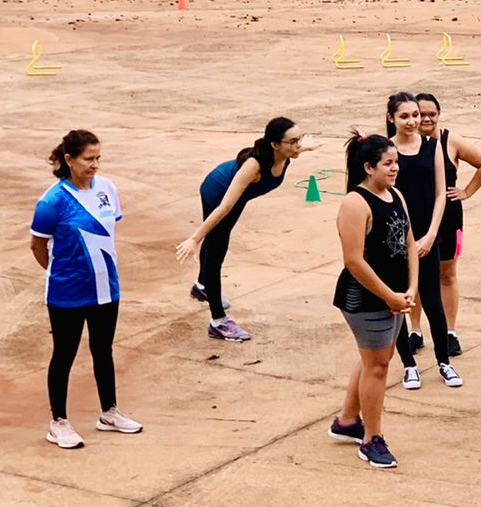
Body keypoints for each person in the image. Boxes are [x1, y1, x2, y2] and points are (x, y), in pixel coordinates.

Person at [31, 130, 143, 449]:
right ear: (69, 160)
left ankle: (109, 413)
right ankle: (59, 422)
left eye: (98, 158)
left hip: (106, 288)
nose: (95, 165)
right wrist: (61, 273)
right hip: (67, 293)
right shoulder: (51, 202)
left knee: (103, 350)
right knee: (64, 355)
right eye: (88, 159)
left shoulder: (107, 188)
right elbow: (37, 245)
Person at [176, 117, 311, 342]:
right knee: (217, 247)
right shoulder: (254, 166)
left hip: (238, 198)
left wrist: (306, 146)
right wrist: (195, 238)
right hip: (218, 193)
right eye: (293, 141)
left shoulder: (285, 154)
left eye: (300, 139)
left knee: (218, 242)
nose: (298, 146)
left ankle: (202, 286)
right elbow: (225, 206)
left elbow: (296, 150)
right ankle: (217, 321)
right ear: (275, 145)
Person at [328, 133, 416, 469]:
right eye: (388, 163)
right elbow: (354, 261)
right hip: (365, 298)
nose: (395, 168)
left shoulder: (395, 195)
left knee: (374, 360)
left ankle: (348, 421)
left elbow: (409, 243)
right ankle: (371, 439)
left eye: (396, 162)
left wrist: (410, 288)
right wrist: (390, 296)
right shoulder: (355, 204)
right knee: (378, 366)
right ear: (368, 167)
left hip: (395, 296)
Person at [386, 93, 460, 390]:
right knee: (401, 302)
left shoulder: (433, 147)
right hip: (395, 239)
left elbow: (441, 193)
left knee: (432, 301)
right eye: (404, 116)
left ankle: (444, 362)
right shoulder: (385, 150)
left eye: (415, 115)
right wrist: (403, 239)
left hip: (429, 237)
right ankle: (409, 365)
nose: (413, 121)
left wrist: (430, 235)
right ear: (391, 118)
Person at [417, 91, 481, 358]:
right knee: (414, 275)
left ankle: (450, 332)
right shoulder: (404, 144)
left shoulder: (451, 141)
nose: (426, 118)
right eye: (421, 113)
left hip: (449, 217)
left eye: (432, 114)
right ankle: (415, 330)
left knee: (446, 274)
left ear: (439, 115)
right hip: (416, 216)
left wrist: (467, 191)